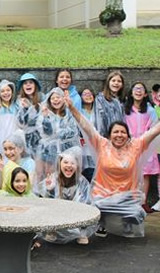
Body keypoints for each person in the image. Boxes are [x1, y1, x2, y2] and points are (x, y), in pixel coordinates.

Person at [67, 92, 160, 238]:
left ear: (128, 136)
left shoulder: (136, 146)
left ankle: (127, 223)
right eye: (115, 132)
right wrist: (72, 108)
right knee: (94, 208)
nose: (119, 135)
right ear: (109, 135)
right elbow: (86, 126)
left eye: (123, 132)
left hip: (126, 197)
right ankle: (101, 224)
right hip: (102, 195)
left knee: (137, 214)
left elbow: (155, 131)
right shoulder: (102, 144)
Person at [39, 147, 95, 245]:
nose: (69, 165)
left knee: (88, 209)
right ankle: (52, 230)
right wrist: (50, 190)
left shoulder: (82, 181)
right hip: (58, 211)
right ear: (60, 164)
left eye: (72, 163)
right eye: (65, 162)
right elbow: (45, 202)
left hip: (75, 211)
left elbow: (87, 202)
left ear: (77, 165)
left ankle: (82, 233)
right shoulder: (53, 178)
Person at [123, 82, 159, 213]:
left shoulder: (150, 110)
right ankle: (130, 202)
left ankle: (143, 202)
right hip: (129, 144)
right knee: (130, 173)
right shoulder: (125, 109)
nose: (138, 91)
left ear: (145, 94)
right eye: (135, 89)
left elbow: (155, 126)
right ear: (131, 92)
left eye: (141, 89)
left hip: (146, 144)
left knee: (146, 174)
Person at [36, 87, 81, 180]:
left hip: (67, 150)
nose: (55, 100)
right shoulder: (46, 114)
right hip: (49, 151)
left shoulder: (69, 113)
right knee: (50, 175)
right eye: (53, 98)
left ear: (63, 99)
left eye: (58, 97)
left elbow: (73, 131)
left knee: (65, 175)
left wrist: (58, 132)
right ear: (49, 101)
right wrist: (45, 117)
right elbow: (45, 132)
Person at [16, 72, 43, 158]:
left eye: (31, 82)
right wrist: (25, 109)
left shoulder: (42, 98)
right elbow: (21, 122)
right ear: (22, 87)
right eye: (25, 83)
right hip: (25, 138)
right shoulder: (19, 101)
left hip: (41, 137)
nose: (28, 85)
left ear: (35, 85)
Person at [94, 70, 125, 138]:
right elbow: (99, 121)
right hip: (106, 137)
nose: (116, 83)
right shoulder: (100, 99)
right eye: (113, 81)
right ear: (108, 83)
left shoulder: (122, 100)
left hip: (120, 136)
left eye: (119, 81)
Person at [79, 86, 97, 181]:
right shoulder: (80, 111)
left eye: (90, 94)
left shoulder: (98, 111)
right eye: (85, 94)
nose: (88, 96)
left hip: (95, 144)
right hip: (83, 144)